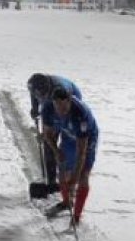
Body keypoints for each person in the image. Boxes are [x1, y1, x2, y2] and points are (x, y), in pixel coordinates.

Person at [43, 87, 98, 228]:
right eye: (57, 106)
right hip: (67, 135)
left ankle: (77, 217)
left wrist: (74, 179)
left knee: (83, 175)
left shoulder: (80, 114)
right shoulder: (48, 108)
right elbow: (47, 134)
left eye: (63, 106)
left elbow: (81, 153)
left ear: (69, 101)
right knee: (62, 169)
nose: (60, 110)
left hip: (86, 139)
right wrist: (56, 151)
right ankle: (67, 202)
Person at [27, 73, 82, 196]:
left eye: (42, 94)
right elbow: (34, 97)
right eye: (38, 94)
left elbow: (62, 113)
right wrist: (35, 109)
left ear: (47, 89)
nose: (39, 96)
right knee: (49, 143)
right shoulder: (35, 86)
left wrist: (51, 131)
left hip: (71, 98)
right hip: (51, 102)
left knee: (67, 141)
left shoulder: (60, 90)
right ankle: (51, 182)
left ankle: (69, 177)